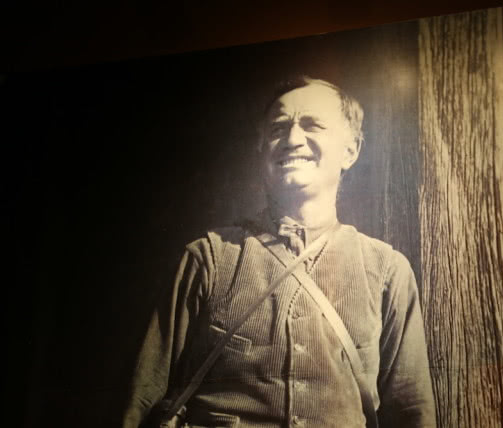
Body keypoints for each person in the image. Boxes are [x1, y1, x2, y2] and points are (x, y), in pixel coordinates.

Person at [122, 76, 436, 427]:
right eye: (278, 128)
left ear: (350, 151)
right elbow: (141, 399)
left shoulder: (386, 270)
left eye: (312, 125)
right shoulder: (208, 258)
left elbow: (412, 411)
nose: (292, 139)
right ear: (262, 149)